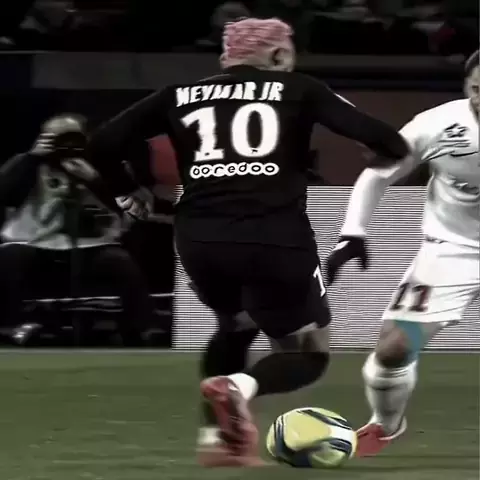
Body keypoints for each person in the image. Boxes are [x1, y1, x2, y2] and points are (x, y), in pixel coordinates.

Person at [88, 17, 409, 466]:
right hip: (275, 238)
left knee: (236, 325)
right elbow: (389, 141)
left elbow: (100, 143)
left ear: (227, 56)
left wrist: (127, 191)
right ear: (278, 54)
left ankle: (216, 439)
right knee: (307, 353)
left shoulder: (177, 95)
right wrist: (380, 152)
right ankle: (238, 388)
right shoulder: (298, 88)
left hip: (200, 240)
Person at [327, 49, 479, 457]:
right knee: (395, 348)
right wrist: (353, 232)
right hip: (453, 253)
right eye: (476, 88)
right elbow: (379, 173)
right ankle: (385, 424)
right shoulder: (438, 125)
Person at [0, 114, 153, 346]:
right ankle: (14, 325)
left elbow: (137, 206)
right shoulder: (25, 164)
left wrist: (95, 180)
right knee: (9, 258)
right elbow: (5, 194)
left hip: (91, 244)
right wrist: (31, 159)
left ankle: (138, 328)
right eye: (59, 138)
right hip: (33, 241)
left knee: (121, 263)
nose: (67, 145)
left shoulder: (103, 165)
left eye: (74, 138)